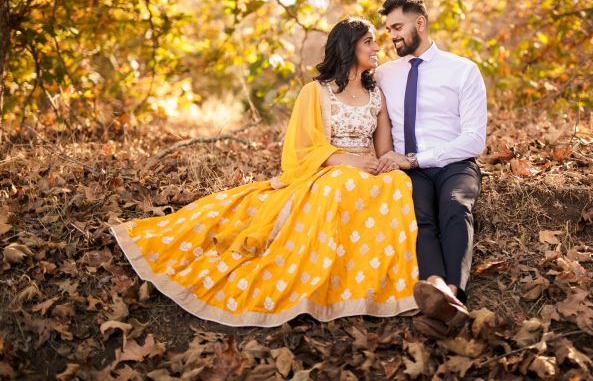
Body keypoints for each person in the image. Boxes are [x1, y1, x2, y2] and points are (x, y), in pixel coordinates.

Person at [111, 17, 419, 326]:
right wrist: (346, 161)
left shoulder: (376, 95)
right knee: (339, 184)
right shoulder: (316, 92)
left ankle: (376, 281)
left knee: (397, 184)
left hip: (367, 172)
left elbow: (383, 150)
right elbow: (301, 149)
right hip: (328, 170)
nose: (377, 47)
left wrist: (387, 162)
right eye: (368, 41)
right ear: (348, 47)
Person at [374, 0, 487, 336]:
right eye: (388, 29)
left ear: (420, 23)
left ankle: (453, 296)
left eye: (397, 27)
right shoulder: (383, 74)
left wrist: (414, 160)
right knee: (419, 217)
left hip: (454, 164)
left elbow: (474, 140)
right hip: (410, 171)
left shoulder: (462, 70)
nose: (392, 36)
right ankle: (436, 287)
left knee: (455, 207)